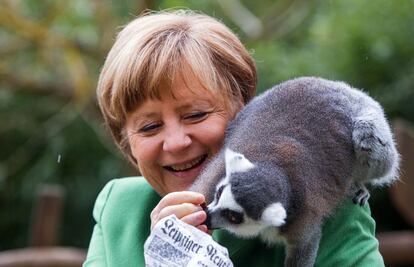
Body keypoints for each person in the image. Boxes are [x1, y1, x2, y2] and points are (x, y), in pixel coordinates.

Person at [83, 10, 385, 266]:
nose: (175, 142)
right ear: (126, 141)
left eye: (195, 115)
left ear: (245, 114)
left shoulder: (321, 207)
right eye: (149, 127)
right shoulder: (119, 210)